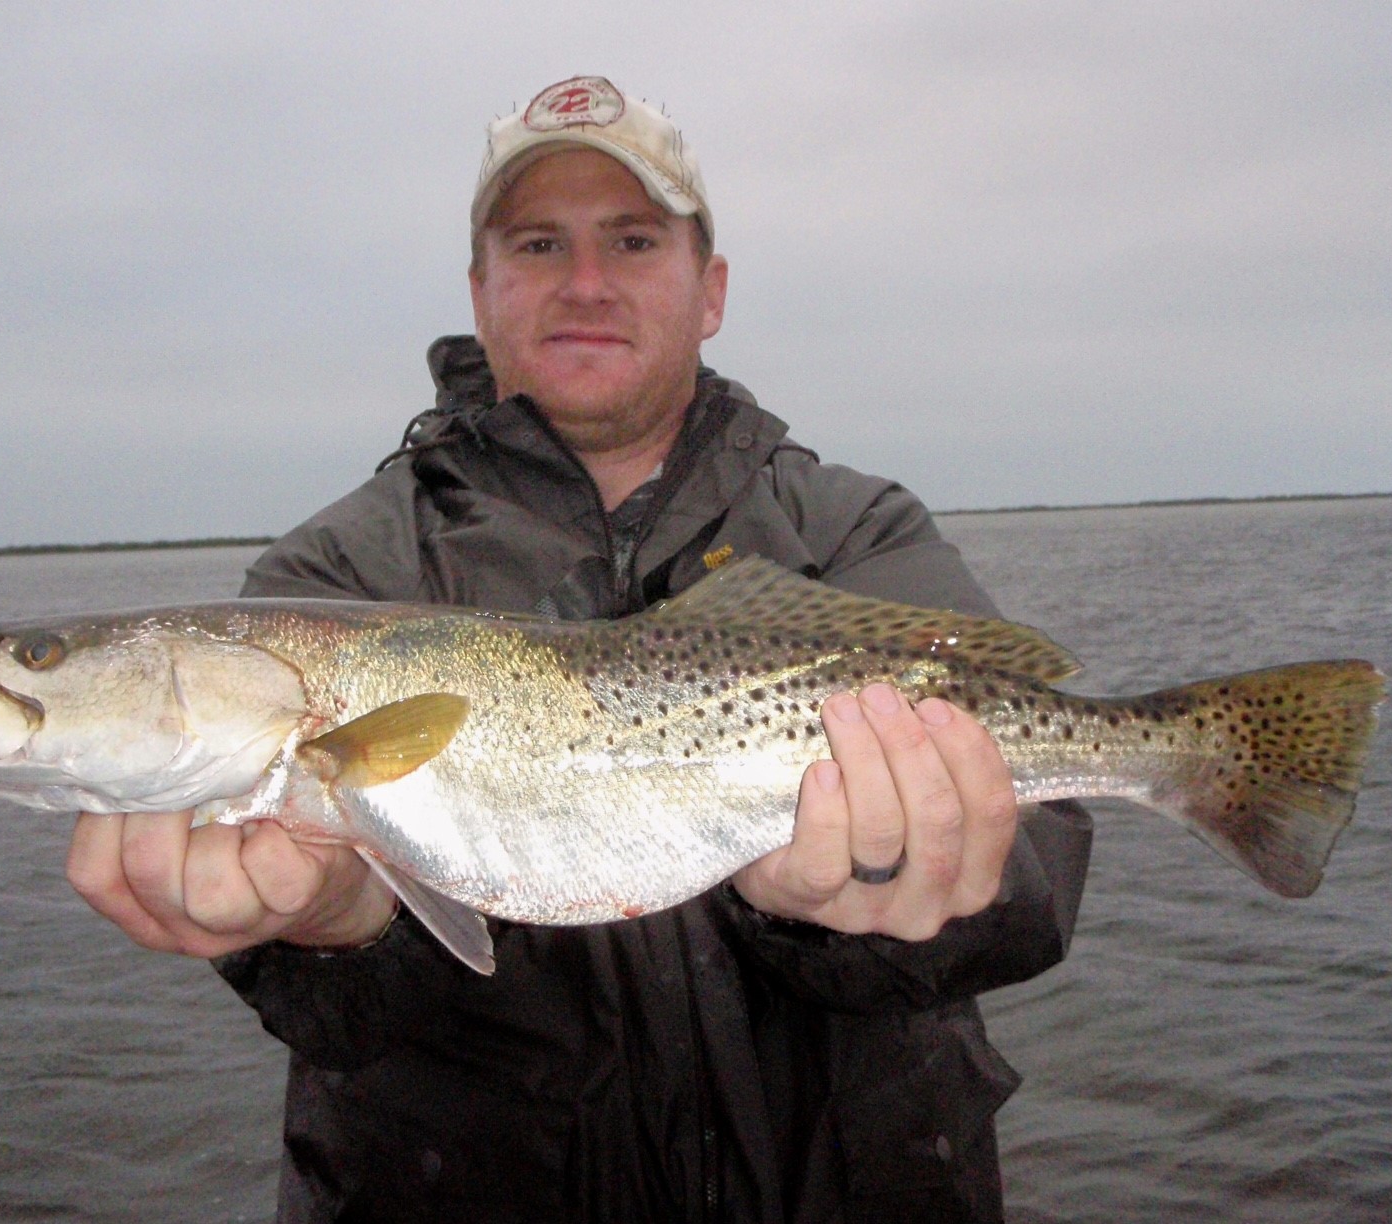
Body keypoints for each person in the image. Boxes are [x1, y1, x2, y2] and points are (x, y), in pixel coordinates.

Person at [66, 75, 1093, 1223]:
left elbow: (1039, 878)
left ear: (711, 291)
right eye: (540, 242)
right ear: (480, 290)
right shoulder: (332, 581)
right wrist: (341, 927)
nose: (587, 282)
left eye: (634, 239)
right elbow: (334, 1018)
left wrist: (868, 899)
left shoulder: (853, 531)